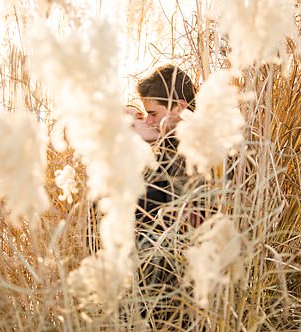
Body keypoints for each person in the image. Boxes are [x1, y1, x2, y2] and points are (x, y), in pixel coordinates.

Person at [129, 64, 197, 328]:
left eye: (153, 113)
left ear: (180, 107)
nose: (148, 120)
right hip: (150, 282)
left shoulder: (198, 152)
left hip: (175, 286)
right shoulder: (165, 146)